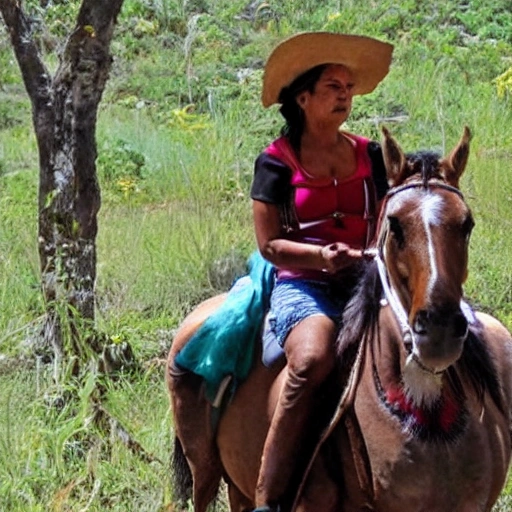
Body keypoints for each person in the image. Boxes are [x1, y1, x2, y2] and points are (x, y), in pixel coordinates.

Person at [249, 32, 394, 512]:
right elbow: (269, 245)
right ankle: (270, 496)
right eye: (333, 85)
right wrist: (318, 259)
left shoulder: (371, 153)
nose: (345, 95)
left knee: (438, 339)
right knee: (312, 358)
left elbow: (393, 214)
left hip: (369, 280)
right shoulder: (275, 161)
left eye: (349, 87)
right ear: (302, 97)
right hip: (304, 285)